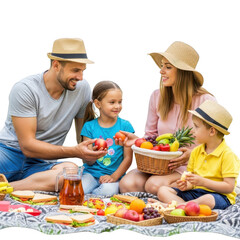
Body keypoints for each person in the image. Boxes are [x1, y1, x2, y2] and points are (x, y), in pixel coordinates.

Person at [0, 38, 107, 191]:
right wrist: (74, 151)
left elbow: (83, 136)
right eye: (75, 70)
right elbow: (28, 146)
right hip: (8, 153)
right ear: (56, 65)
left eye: (83, 70)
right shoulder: (25, 89)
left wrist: (94, 150)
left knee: (69, 173)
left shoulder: (82, 89)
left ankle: (6, 188)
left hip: (42, 164)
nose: (80, 77)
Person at [118, 41, 216, 195]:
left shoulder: (205, 101)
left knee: (153, 185)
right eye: (162, 66)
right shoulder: (157, 96)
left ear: (183, 72)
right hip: (159, 164)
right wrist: (137, 140)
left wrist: (192, 154)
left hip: (191, 166)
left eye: (168, 67)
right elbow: (152, 137)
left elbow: (217, 145)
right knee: (127, 185)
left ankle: (191, 192)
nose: (161, 71)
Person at [157, 100, 240, 209]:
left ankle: (176, 206)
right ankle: (185, 207)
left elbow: (229, 187)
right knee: (163, 190)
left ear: (212, 131)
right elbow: (192, 181)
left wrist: (203, 182)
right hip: (196, 193)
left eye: (196, 126)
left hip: (219, 196)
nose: (193, 131)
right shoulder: (196, 151)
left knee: (207, 199)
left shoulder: (227, 155)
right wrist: (187, 185)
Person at [80, 81, 134, 195]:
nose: (117, 106)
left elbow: (128, 158)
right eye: (112, 102)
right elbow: (88, 161)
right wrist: (93, 154)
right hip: (90, 174)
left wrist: (113, 177)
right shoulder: (89, 126)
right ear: (98, 104)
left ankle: (92, 200)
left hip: (114, 176)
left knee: (106, 192)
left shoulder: (125, 126)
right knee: (80, 190)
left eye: (120, 102)